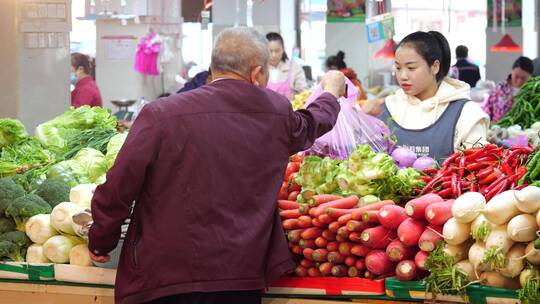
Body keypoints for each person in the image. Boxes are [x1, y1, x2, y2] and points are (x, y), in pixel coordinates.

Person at [88, 27, 345, 304]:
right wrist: (330, 93)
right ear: (257, 73)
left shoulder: (160, 114)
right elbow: (311, 122)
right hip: (238, 277)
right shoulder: (275, 113)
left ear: (213, 67)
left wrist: (102, 239)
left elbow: (118, 186)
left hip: (163, 277)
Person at [369, 31, 489, 161]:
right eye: (398, 68)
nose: (403, 76)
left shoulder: (466, 114)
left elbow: (476, 171)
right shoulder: (389, 107)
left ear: (435, 67)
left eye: (411, 68)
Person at [482, 56, 534, 122]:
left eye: (523, 78)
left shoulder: (533, 92)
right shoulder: (500, 88)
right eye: (516, 76)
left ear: (531, 76)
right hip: (498, 128)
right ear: (512, 71)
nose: (519, 81)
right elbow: (487, 109)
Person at [266, 32, 308, 99]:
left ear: (283, 49)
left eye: (277, 50)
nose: (274, 55)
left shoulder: (294, 67)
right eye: (270, 51)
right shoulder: (260, 69)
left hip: (291, 108)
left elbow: (303, 92)